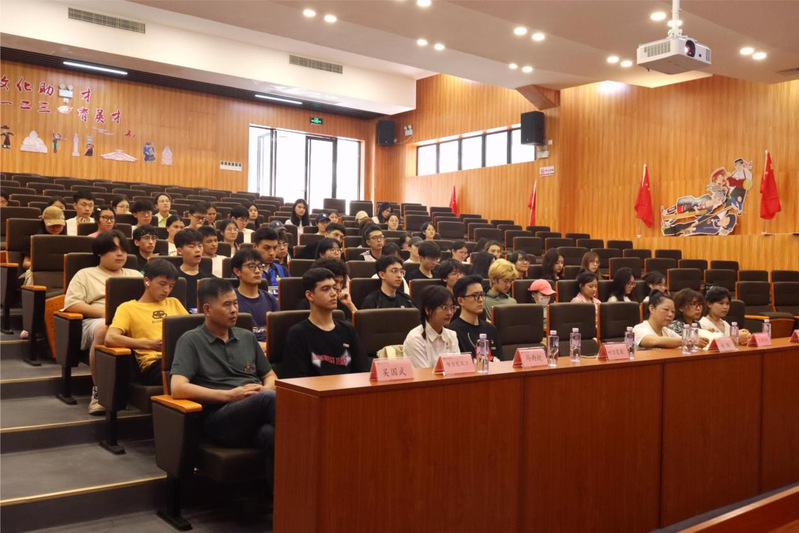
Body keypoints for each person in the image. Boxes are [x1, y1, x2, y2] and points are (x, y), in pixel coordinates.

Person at [170, 278, 277, 485]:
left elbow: (270, 375)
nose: (234, 310)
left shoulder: (247, 337)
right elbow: (177, 388)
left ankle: (280, 500)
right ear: (207, 309)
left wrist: (264, 388)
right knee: (269, 400)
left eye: (235, 303)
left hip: (254, 411)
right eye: (227, 305)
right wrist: (230, 396)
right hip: (219, 419)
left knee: (271, 434)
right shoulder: (191, 340)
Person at [62, 230, 142, 414]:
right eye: (113, 250)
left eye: (123, 250)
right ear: (100, 252)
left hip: (132, 321)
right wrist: (108, 315)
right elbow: (72, 304)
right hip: (97, 321)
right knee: (104, 330)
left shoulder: (135, 275)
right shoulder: (85, 274)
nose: (120, 254)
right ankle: (100, 392)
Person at [105, 259, 188, 385]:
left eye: (171, 286)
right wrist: (149, 344)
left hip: (181, 357)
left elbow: (192, 329)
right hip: (154, 365)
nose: (167, 290)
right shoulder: (128, 308)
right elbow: (110, 338)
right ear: (147, 281)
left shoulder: (174, 303)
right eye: (162, 284)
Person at [281, 268, 369, 378]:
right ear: (310, 295)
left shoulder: (348, 330)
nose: (333, 293)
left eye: (334, 288)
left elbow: (363, 372)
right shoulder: (298, 334)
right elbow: (296, 380)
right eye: (325, 289)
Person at [232, 249, 279, 351]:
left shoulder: (271, 299)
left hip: (270, 352)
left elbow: (279, 333)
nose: (257, 271)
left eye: (260, 266)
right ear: (237, 271)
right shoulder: (231, 301)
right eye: (251, 266)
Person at [403, 285, 460, 368]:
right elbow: (424, 373)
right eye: (444, 307)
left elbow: (457, 368)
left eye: (452, 307)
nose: (449, 313)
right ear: (427, 310)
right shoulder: (416, 338)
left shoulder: (451, 335)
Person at [450, 275, 503, 360]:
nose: (480, 300)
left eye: (482, 295)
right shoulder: (452, 332)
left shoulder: (491, 329)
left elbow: (501, 361)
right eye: (475, 296)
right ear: (460, 301)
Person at [633, 290, 706, 349]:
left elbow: (683, 342)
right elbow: (654, 341)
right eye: (666, 309)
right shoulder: (639, 329)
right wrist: (689, 340)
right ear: (652, 309)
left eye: (673, 311)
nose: (670, 314)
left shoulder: (667, 331)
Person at [174, 228, 213, 312]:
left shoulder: (210, 279)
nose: (198, 250)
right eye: (192, 246)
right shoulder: (172, 278)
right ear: (179, 251)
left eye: (200, 246)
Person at [253, 226, 290, 296]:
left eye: (275, 248)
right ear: (255, 247)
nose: (272, 253)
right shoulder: (243, 271)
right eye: (267, 248)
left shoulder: (283, 270)